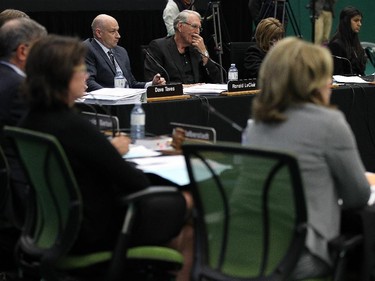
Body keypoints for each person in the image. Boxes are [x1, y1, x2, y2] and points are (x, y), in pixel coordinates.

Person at [19, 34, 192, 280]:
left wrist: (108, 151)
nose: (87, 75)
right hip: (98, 230)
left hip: (57, 228)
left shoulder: (30, 121)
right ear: (61, 75)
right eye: (80, 68)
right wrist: (112, 152)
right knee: (187, 200)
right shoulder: (73, 126)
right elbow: (136, 183)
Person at [243, 37, 373, 280]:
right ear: (312, 82)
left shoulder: (255, 126)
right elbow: (358, 196)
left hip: (251, 247)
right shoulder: (329, 124)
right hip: (301, 255)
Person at [83, 14, 166, 92]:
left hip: (127, 101)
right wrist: (112, 95)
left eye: (117, 31)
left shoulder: (121, 51)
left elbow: (131, 83)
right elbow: (89, 82)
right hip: (105, 104)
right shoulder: (87, 49)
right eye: (113, 31)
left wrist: (151, 84)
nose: (118, 36)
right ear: (99, 33)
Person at [144, 10, 221, 84]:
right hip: (174, 96)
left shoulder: (198, 48)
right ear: (180, 26)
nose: (197, 32)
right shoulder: (159, 46)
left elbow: (217, 80)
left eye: (199, 28)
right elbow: (153, 81)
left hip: (199, 96)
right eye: (194, 26)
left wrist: (204, 53)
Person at [328, 6, 367, 76]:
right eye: (356, 20)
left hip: (360, 84)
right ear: (346, 21)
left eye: (360, 21)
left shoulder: (356, 43)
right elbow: (336, 74)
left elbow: (361, 71)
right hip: (346, 86)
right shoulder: (336, 45)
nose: (359, 24)